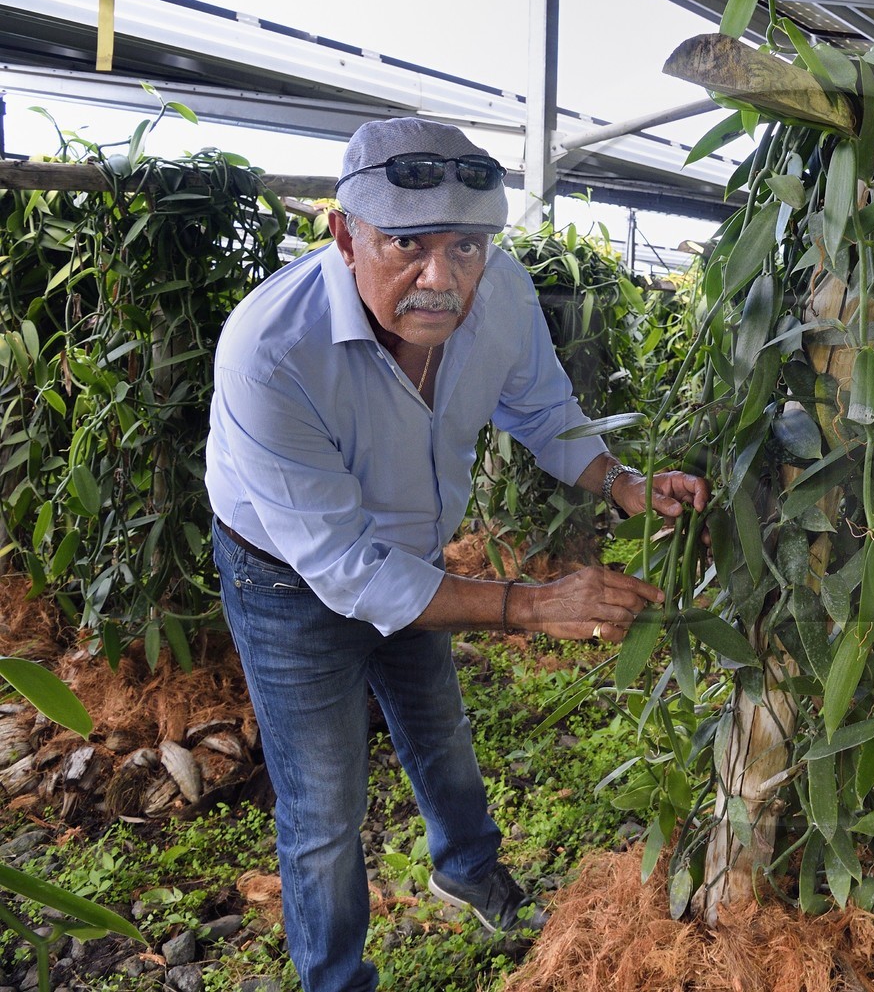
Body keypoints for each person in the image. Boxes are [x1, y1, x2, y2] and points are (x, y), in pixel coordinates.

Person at [205, 116, 709, 992]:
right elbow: (348, 569)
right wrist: (531, 603)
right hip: (287, 577)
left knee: (439, 727)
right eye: (406, 244)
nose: (440, 279)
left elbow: (544, 411)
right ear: (344, 235)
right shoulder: (273, 351)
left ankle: (469, 870)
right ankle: (336, 979)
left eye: (465, 246)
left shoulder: (499, 293)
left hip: (413, 550)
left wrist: (625, 483)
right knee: (324, 805)